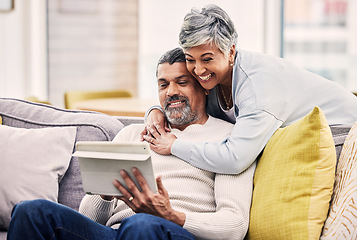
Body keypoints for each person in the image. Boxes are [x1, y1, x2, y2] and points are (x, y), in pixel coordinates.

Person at [7, 48, 255, 240]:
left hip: (178, 232)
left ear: (204, 87)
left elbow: (234, 225)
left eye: (182, 82)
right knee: (31, 211)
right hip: (118, 232)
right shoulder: (132, 134)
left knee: (141, 224)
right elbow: (88, 219)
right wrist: (103, 196)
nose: (170, 92)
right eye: (163, 84)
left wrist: (172, 216)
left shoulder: (229, 138)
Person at [142, 4, 357, 174]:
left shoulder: (258, 87)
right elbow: (179, 94)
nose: (198, 70)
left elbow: (235, 159)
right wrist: (156, 111)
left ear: (231, 52)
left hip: (344, 132)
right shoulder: (211, 78)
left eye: (207, 59)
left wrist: (173, 145)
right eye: (191, 59)